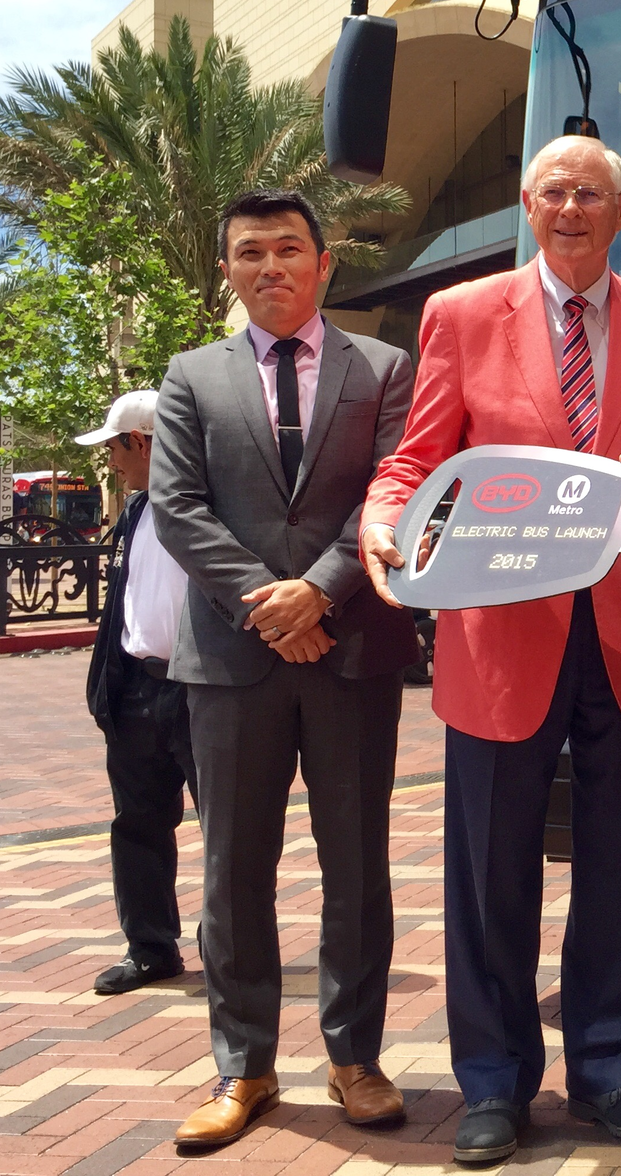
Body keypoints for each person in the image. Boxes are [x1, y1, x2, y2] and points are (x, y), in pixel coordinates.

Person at [360, 136, 621, 1168]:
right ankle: (494, 1085)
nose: (571, 207)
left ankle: (611, 1071)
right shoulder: (462, 317)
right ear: (527, 203)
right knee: (488, 874)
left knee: (620, 872)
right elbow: (418, 458)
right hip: (500, 638)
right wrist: (386, 520)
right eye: (555, 190)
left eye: (591, 193)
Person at [150, 189, 420, 1150]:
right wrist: (272, 606)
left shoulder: (385, 367)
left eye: (289, 249)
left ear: (324, 263)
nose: (272, 266)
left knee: (357, 866)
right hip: (233, 657)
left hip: (351, 651)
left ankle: (356, 1057)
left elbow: (397, 494)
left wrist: (323, 593)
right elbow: (178, 508)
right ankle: (244, 1067)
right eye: (251, 252)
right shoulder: (190, 376)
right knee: (233, 869)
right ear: (229, 268)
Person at [77, 390, 197, 997]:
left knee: (229, 830)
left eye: (114, 448)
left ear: (143, 442)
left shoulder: (208, 507)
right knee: (139, 824)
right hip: (137, 688)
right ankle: (150, 947)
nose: (111, 462)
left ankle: (232, 949)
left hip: (203, 692)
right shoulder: (135, 510)